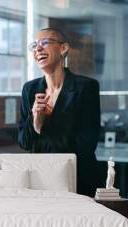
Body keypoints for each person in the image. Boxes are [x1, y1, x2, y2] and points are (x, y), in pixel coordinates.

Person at [18, 27, 101, 197]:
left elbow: (86, 145)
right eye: (34, 45)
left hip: (78, 181)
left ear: (63, 49)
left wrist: (42, 130)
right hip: (40, 182)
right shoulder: (30, 89)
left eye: (45, 42)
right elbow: (24, 142)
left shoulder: (86, 87)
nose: (38, 49)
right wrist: (35, 122)